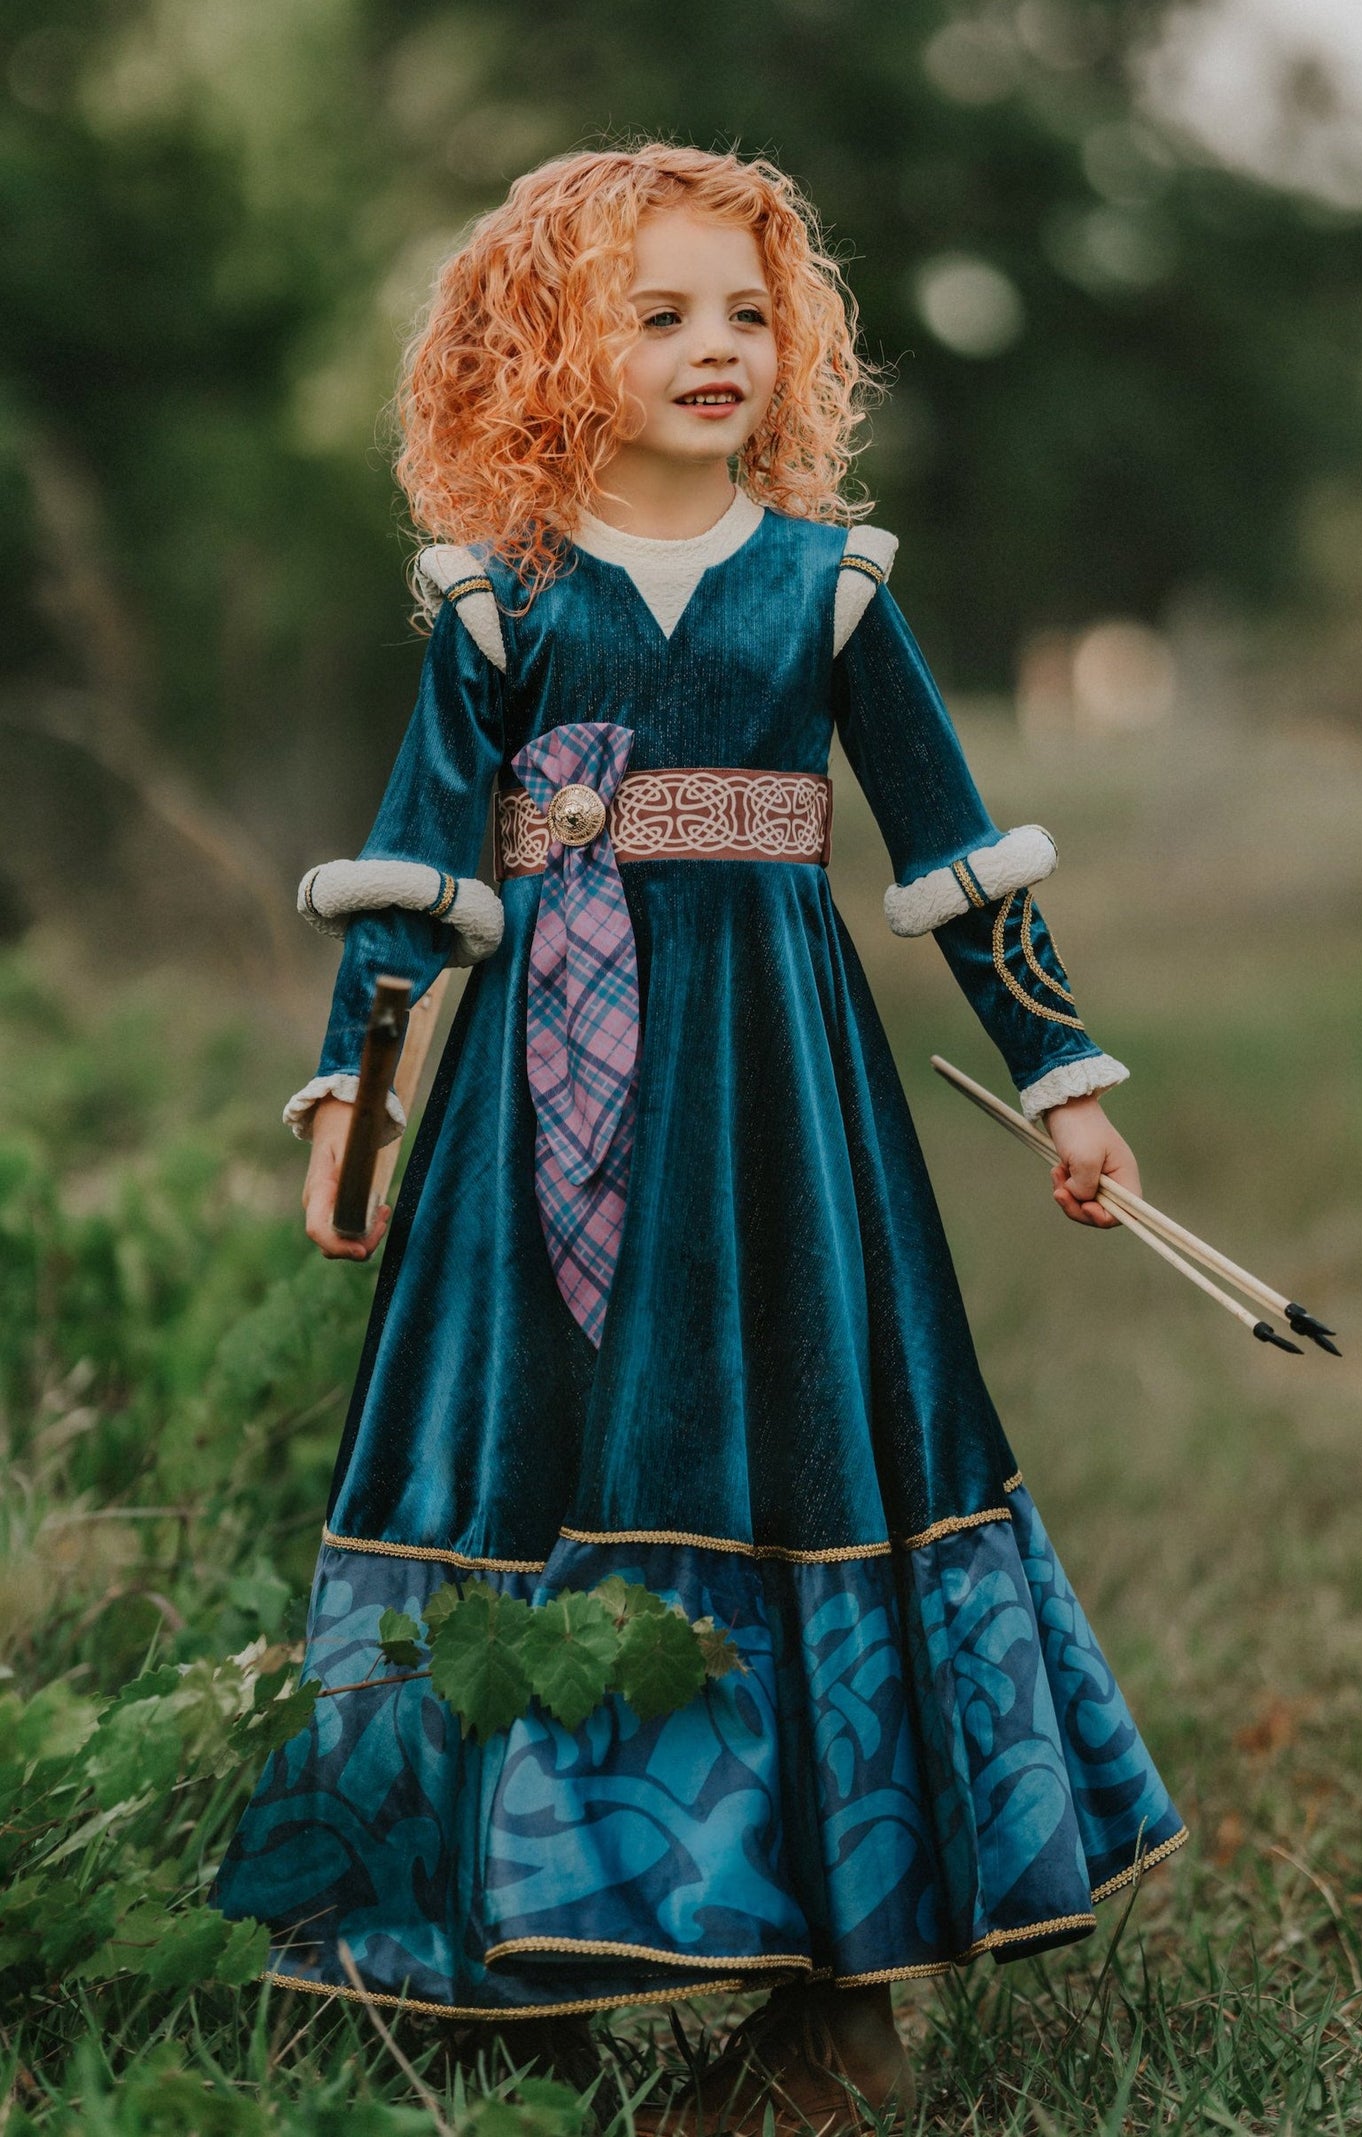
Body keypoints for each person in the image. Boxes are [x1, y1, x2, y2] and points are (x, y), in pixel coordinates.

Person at [216, 143, 1188, 2134]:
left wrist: (1068, 1084)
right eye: (656, 312)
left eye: (746, 310)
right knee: (534, 1443)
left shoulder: (822, 587)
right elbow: (413, 874)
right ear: (545, 348)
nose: (713, 344)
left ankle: (826, 2020)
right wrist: (359, 1091)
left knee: (795, 1440)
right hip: (529, 1127)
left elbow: (954, 855)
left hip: (777, 1112)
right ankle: (504, 1980)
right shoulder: (501, 605)